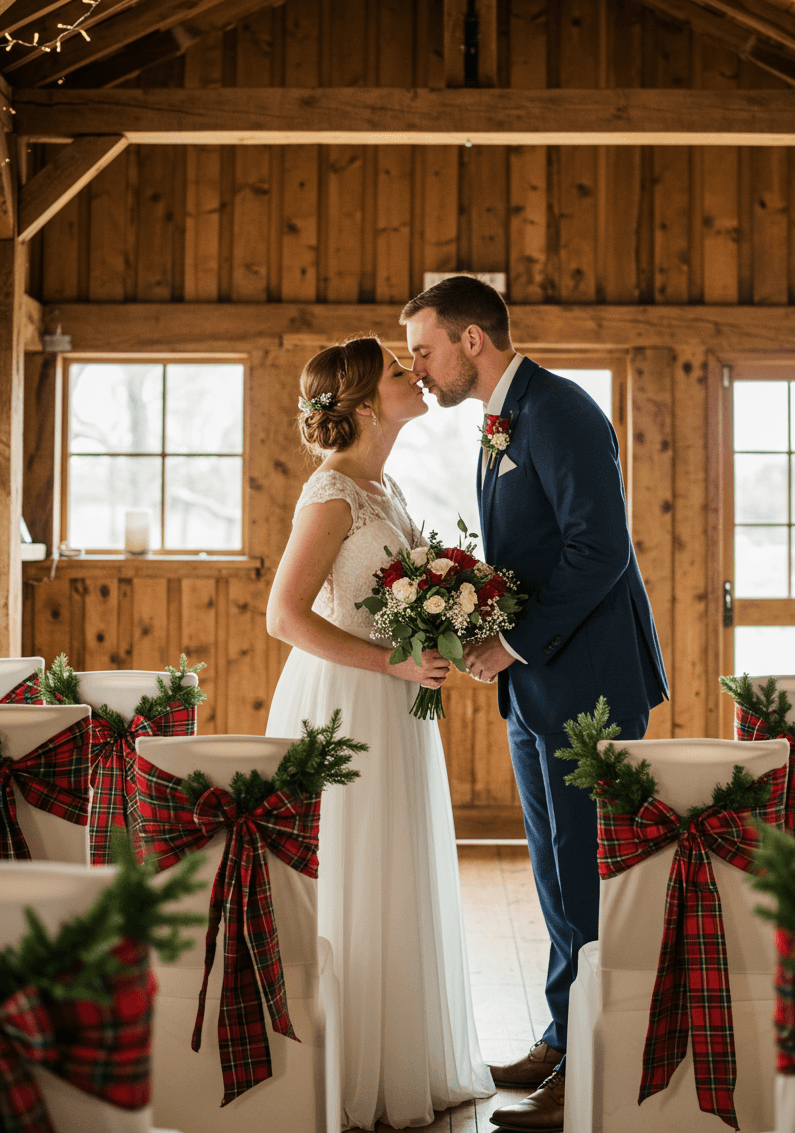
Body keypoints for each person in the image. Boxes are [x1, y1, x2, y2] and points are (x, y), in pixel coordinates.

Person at [402, 278, 669, 1133]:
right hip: (538, 683)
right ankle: (563, 1031)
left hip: (586, 679)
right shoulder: (501, 419)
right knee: (556, 868)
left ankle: (595, 1060)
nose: (419, 367)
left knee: (588, 867)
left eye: (425, 348)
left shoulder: (558, 409)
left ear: (473, 339)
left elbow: (602, 550)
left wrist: (510, 641)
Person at [265, 336, 494, 1131]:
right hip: (344, 700)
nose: (415, 378)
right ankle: (345, 1067)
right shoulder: (332, 493)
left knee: (394, 862)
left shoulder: (382, 484)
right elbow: (285, 617)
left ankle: (402, 1055)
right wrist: (391, 664)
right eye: (400, 373)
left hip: (392, 698)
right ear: (364, 405)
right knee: (352, 864)